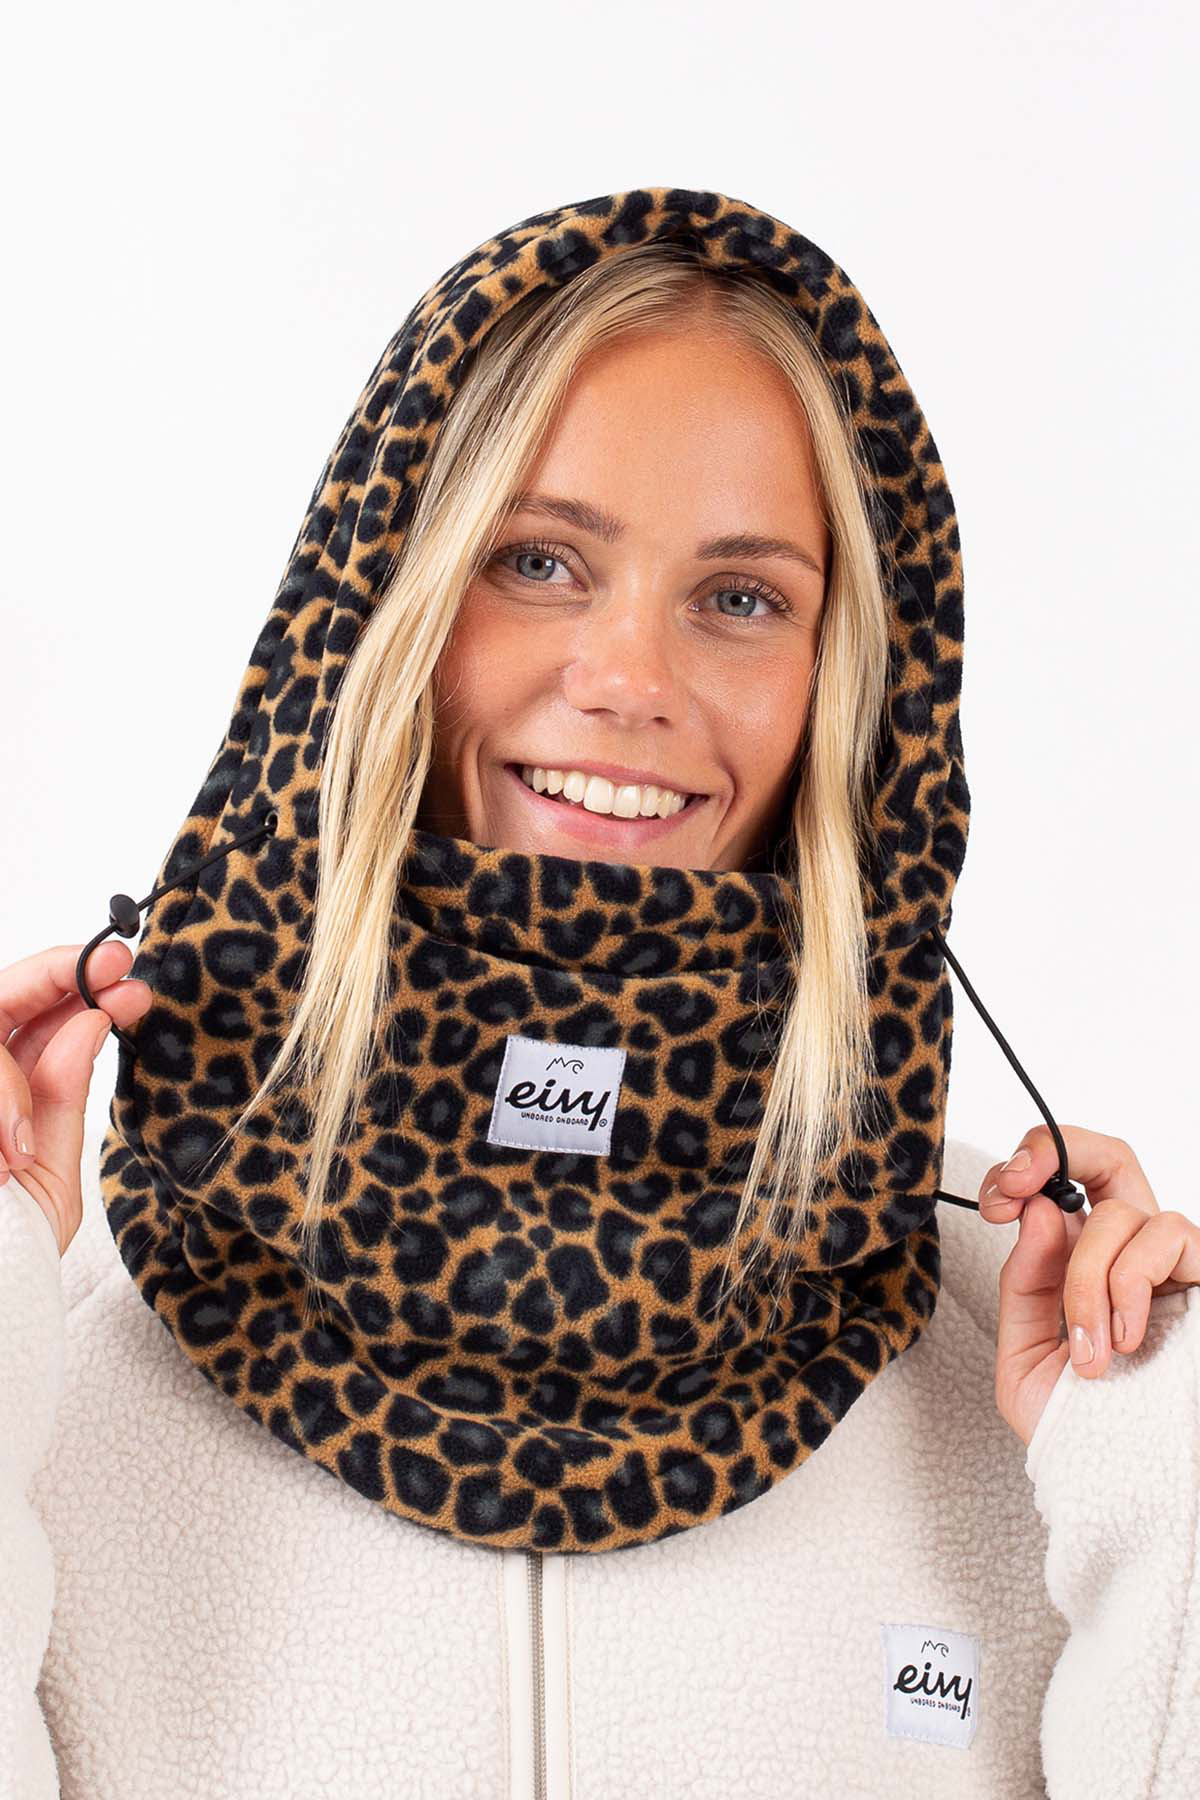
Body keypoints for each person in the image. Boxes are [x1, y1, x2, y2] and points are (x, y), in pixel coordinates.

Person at [2, 186, 1197, 1800]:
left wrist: (1157, 1456)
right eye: (539, 562)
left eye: (741, 597)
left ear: (851, 690)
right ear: (381, 611)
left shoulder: (1029, 1379)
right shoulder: (57, 1359)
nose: (631, 677)